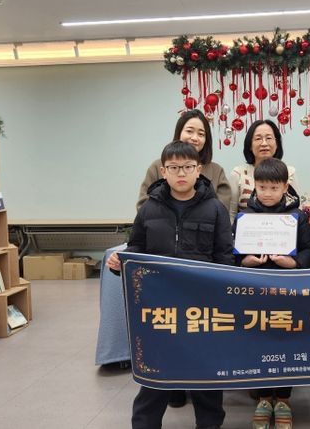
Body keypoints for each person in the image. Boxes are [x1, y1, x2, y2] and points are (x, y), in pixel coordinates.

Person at [107, 141, 233, 429]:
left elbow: (224, 258)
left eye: (187, 167)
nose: (181, 173)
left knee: (205, 375)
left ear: (199, 170)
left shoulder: (215, 209)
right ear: (163, 172)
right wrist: (119, 262)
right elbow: (137, 248)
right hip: (160, 309)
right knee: (156, 376)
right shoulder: (149, 209)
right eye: (174, 167)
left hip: (202, 309)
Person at [232, 158, 310, 429]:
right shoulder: (245, 217)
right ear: (254, 186)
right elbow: (231, 252)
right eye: (262, 187)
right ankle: (262, 398)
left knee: (286, 343)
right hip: (254, 293)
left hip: (287, 293)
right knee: (258, 343)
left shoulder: (297, 217)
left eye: (274, 188)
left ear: (285, 187)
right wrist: (244, 261)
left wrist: (294, 263)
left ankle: (283, 399)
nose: (268, 193)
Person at [137, 109, 231, 211]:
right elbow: (143, 208)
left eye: (201, 134)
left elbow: (222, 211)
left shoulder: (217, 171)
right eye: (189, 131)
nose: (195, 138)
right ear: (179, 132)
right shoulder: (157, 166)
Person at [229, 119, 300, 220]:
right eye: (258, 139)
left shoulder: (289, 172)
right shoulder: (238, 173)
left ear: (277, 144)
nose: (264, 143)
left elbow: (297, 209)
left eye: (269, 138)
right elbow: (231, 214)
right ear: (250, 145)